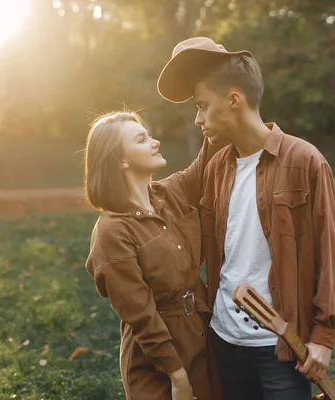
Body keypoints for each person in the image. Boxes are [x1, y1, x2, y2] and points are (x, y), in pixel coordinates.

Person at [157, 37, 335, 400]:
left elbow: (329, 256)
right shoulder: (216, 168)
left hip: (281, 345)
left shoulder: (305, 161)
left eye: (202, 107)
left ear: (233, 100)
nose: (198, 119)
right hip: (224, 339)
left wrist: (323, 338)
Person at [84, 111, 223, 400]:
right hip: (156, 360)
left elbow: (209, 160)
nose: (155, 142)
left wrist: (212, 109)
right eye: (141, 139)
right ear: (120, 160)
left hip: (202, 339)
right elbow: (141, 315)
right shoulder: (112, 231)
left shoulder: (169, 194)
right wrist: (177, 376)